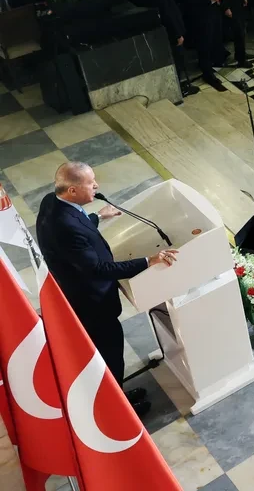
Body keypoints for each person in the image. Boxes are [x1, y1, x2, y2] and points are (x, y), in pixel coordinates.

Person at [36, 162, 179, 417]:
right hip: (92, 303)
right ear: (71, 191)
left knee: (110, 352)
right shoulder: (65, 227)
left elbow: (75, 226)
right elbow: (99, 269)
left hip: (81, 292)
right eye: (90, 183)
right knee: (109, 353)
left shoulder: (52, 201)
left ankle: (118, 393)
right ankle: (116, 410)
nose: (96, 186)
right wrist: (150, 260)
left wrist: (98, 216)